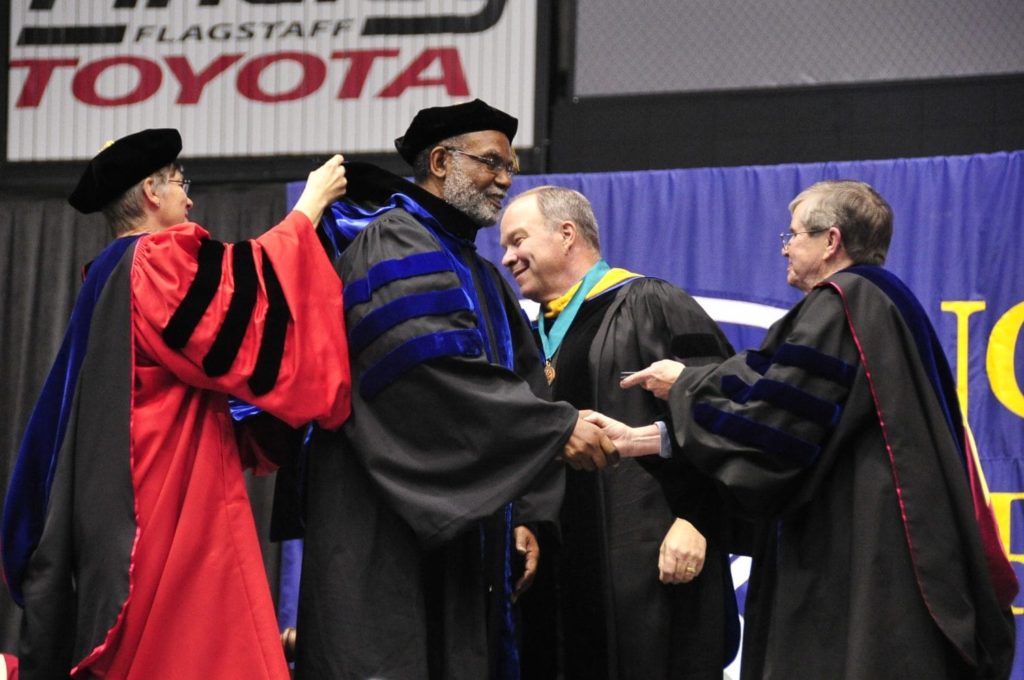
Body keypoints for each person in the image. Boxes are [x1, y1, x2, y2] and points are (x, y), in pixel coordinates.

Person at [588, 180, 1018, 679]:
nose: (786, 247)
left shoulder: (840, 304)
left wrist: (685, 385)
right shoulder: (886, 302)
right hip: (873, 529)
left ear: (831, 240)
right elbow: (772, 391)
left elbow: (771, 432)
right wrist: (642, 438)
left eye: (792, 235)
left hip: (850, 546)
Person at [0, 129, 352, 679]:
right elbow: (245, 304)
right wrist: (307, 210)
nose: (189, 199)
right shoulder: (152, 261)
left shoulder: (106, 275)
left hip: (130, 500)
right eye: (180, 183)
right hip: (166, 507)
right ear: (150, 191)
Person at [294, 100, 617, 680]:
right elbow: (423, 378)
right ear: (441, 161)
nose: (505, 178)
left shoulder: (481, 274)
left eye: (511, 166)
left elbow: (524, 389)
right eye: (492, 162)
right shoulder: (391, 243)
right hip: (385, 526)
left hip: (466, 536)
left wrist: (529, 513)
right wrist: (557, 430)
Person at [498, 186, 740, 679]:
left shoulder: (650, 302)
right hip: (559, 575)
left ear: (566, 234)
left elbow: (721, 414)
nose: (507, 257)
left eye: (517, 240)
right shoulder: (521, 338)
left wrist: (698, 520)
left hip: (651, 560)